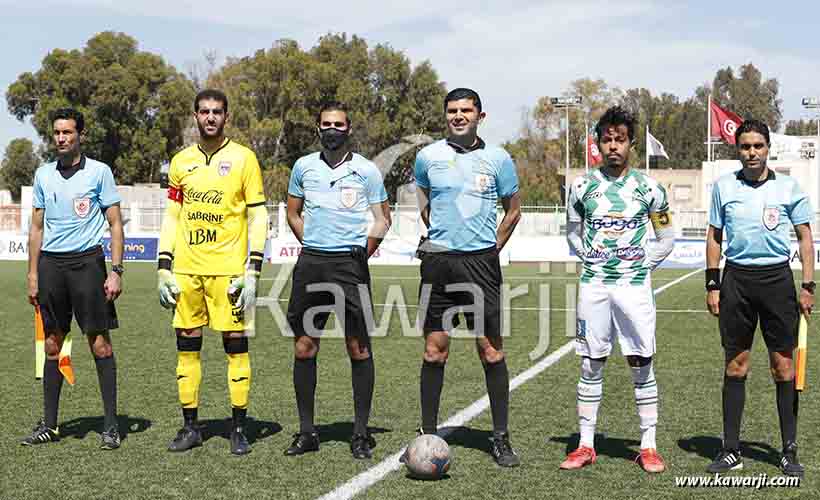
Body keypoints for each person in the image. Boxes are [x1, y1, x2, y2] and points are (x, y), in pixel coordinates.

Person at [408, 87, 522, 467]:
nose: (459, 116)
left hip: (481, 267)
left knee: (491, 351)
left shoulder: (498, 159)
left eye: (466, 110)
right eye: (453, 111)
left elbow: (512, 212)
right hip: (438, 265)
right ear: (446, 116)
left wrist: (490, 250)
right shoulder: (427, 158)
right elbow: (425, 205)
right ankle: (427, 432)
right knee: (433, 351)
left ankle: (501, 437)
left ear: (480, 116)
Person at [561, 106, 675, 473]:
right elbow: (573, 233)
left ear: (630, 144)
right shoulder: (580, 187)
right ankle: (585, 444)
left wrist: (641, 264)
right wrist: (591, 258)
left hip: (634, 289)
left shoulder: (651, 189)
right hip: (593, 287)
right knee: (591, 362)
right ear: (598, 143)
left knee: (641, 361)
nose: (613, 146)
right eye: (606, 139)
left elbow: (666, 237)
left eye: (620, 139)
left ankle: (648, 445)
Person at [157, 89, 268, 456]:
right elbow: (173, 215)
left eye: (217, 112)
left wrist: (252, 269)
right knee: (187, 348)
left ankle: (239, 427)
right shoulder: (180, 162)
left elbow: (258, 214)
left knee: (236, 347)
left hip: (230, 272)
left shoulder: (244, 159)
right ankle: (191, 428)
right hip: (188, 271)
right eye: (204, 111)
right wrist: (163, 266)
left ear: (226, 117)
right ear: (194, 116)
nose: (210, 117)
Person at [705, 119, 813, 477]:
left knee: (784, 366)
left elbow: (804, 238)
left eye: (758, 146)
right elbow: (715, 236)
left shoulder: (788, 187)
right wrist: (712, 283)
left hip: (777, 281)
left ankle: (789, 450)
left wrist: (808, 286)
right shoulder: (723, 187)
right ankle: (731, 449)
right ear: (738, 150)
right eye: (745, 147)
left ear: (768, 148)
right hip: (737, 280)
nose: (752, 153)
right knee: (735, 365)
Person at [284, 101, 391, 459]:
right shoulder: (303, 167)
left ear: (349, 128)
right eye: (326, 124)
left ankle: (360, 434)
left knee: (358, 348)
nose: (332, 129)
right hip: (312, 265)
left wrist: (365, 250)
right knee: (304, 347)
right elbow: (293, 212)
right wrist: (312, 243)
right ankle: (306, 432)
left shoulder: (366, 170)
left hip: (350, 266)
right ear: (318, 128)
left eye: (339, 124)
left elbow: (382, 218)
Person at [21, 108, 125, 450]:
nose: (61, 138)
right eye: (57, 133)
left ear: (80, 134)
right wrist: (33, 273)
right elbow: (36, 229)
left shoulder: (99, 173)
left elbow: (114, 224)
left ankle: (111, 425)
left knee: (99, 344)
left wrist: (116, 270)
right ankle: (50, 424)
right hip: (52, 266)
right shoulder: (43, 175)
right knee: (52, 343)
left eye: (67, 132)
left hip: (87, 265)